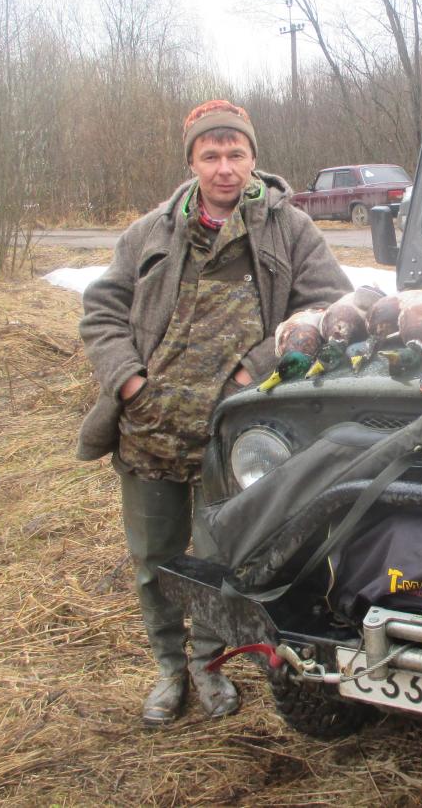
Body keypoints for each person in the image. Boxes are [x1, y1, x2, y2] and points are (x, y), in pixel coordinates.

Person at [77, 100, 351, 726]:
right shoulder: (149, 233)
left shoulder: (291, 229)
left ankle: (209, 665)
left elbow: (330, 305)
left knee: (221, 558)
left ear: (253, 157)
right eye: (211, 155)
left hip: (238, 435)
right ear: (192, 161)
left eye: (236, 154)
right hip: (151, 428)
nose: (225, 168)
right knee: (155, 559)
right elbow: (102, 312)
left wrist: (254, 368)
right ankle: (169, 671)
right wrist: (128, 383)